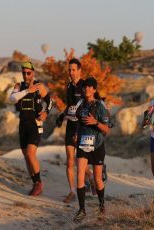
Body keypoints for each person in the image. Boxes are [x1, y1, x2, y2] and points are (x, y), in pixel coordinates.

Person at [9, 61, 53, 196]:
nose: (26, 75)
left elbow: (50, 102)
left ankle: (39, 183)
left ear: (33, 73)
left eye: (28, 73)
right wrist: (28, 90)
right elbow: (12, 98)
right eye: (23, 73)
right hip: (23, 124)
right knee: (26, 156)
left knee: (30, 153)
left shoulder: (40, 86)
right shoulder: (19, 86)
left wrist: (46, 112)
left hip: (35, 124)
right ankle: (35, 183)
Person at [55, 58, 95, 203]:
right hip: (71, 126)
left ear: (79, 70)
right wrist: (61, 116)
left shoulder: (85, 86)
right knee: (70, 161)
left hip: (82, 127)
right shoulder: (68, 86)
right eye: (69, 70)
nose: (70, 72)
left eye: (73, 70)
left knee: (80, 161)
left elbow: (90, 106)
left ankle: (91, 178)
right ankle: (72, 191)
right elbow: (70, 106)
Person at [72, 77, 111, 223]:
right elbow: (78, 123)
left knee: (97, 179)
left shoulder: (100, 106)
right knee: (80, 174)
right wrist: (76, 134)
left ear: (94, 89)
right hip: (82, 144)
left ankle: (102, 207)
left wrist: (96, 122)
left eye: (90, 87)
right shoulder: (81, 104)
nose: (87, 89)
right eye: (85, 87)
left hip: (97, 146)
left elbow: (107, 129)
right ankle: (82, 210)